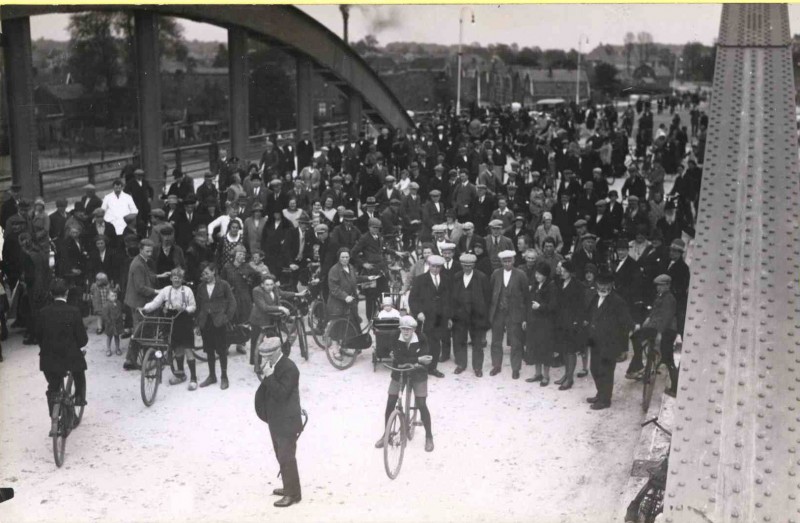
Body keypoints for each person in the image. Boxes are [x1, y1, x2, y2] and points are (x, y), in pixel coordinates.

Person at [253, 335, 303, 507]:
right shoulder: (274, 366)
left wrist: (269, 376)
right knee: (280, 455)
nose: (264, 359)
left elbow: (281, 394)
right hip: (276, 420)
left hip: (287, 421)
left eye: (267, 355)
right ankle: (289, 486)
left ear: (276, 352)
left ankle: (292, 494)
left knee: (287, 456)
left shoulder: (289, 368)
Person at [374, 315, 435, 452]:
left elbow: (426, 356)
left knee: (421, 404)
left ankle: (429, 436)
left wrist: (413, 361)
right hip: (399, 371)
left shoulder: (422, 337)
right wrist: (417, 359)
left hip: (418, 373)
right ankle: (387, 434)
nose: (406, 332)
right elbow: (398, 356)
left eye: (409, 329)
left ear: (414, 329)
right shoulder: (395, 336)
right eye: (403, 329)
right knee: (390, 402)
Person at [37, 278, 88, 436]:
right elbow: (82, 340)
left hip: (49, 359)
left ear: (51, 294)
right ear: (66, 293)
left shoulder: (43, 312)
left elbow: (38, 337)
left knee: (53, 385)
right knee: (79, 373)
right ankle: (79, 397)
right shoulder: (74, 311)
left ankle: (54, 411)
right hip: (70, 358)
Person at [586, 272, 634, 410]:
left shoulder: (618, 302)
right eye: (600, 284)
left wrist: (621, 347)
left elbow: (628, 324)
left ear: (612, 285)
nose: (603, 288)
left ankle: (605, 400)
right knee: (594, 368)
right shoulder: (595, 297)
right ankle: (600, 393)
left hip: (609, 344)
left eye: (606, 285)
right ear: (596, 285)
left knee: (605, 371)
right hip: (595, 342)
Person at [408, 255, 452, 379]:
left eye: (438, 267)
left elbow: (449, 300)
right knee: (424, 342)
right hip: (425, 317)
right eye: (433, 266)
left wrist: (448, 317)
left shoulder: (446, 279)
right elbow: (413, 299)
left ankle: (433, 368)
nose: (435, 269)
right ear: (429, 265)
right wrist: (418, 312)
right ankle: (422, 368)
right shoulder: (420, 280)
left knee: (436, 343)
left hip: (440, 318)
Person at [195, 262, 237, 390]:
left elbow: (232, 303)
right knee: (209, 350)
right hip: (206, 323)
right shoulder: (201, 287)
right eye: (203, 274)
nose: (205, 276)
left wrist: (226, 318)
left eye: (207, 273)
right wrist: (198, 323)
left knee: (222, 350)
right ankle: (212, 376)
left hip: (219, 322)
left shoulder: (223, 285)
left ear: (214, 272)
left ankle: (224, 377)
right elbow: (198, 306)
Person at [488, 250, 529, 378]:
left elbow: (526, 296)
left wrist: (524, 316)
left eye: (509, 261)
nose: (507, 263)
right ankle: (496, 365)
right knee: (496, 340)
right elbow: (491, 292)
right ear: (501, 262)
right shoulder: (496, 274)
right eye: (504, 261)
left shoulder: (521, 274)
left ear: (513, 261)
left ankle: (515, 368)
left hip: (514, 313)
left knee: (516, 342)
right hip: (498, 312)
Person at [450, 253, 491, 377]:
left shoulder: (482, 277)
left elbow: (487, 297)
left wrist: (485, 316)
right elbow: (451, 296)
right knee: (459, 341)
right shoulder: (456, 277)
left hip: (476, 316)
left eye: (470, 265)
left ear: (474, 265)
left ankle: (477, 367)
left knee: (477, 343)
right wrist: (452, 315)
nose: (467, 267)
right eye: (465, 265)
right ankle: (461, 364)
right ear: (461, 265)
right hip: (460, 316)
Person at [123, 239, 159, 371]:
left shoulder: (142, 261)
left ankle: (132, 359)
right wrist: (157, 291)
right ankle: (131, 360)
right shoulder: (138, 264)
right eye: (147, 251)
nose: (150, 254)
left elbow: (147, 276)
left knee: (139, 330)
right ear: (141, 250)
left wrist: (160, 276)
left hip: (136, 300)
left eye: (151, 251)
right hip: (138, 302)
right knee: (139, 331)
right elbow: (140, 287)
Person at [525, 262, 557, 386]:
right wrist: (526, 319)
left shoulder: (551, 287)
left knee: (545, 349)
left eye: (540, 274)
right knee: (535, 347)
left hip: (546, 324)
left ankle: (546, 376)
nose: (537, 276)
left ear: (546, 275)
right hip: (534, 322)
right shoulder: (535, 285)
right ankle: (537, 374)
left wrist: (540, 307)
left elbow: (553, 306)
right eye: (536, 273)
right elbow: (529, 303)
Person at [101, 289, 124, 357]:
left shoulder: (119, 303)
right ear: (108, 297)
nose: (114, 297)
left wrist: (120, 319)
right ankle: (108, 349)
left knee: (117, 337)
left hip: (117, 323)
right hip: (110, 324)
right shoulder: (106, 305)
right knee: (109, 337)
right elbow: (105, 315)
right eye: (112, 296)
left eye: (115, 295)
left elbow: (120, 311)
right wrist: (108, 321)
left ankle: (117, 348)